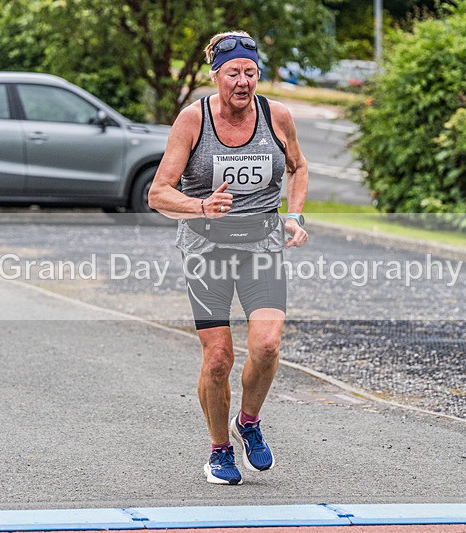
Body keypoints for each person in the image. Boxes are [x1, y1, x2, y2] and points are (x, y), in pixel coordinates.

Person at [148, 31, 309, 485]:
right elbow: (157, 192)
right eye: (233, 72)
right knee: (219, 358)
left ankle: (249, 422)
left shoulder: (277, 116)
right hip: (207, 248)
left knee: (267, 344)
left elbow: (297, 166)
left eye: (251, 73)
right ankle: (219, 449)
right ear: (216, 75)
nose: (243, 82)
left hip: (262, 245)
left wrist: (294, 214)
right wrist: (200, 205)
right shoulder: (192, 120)